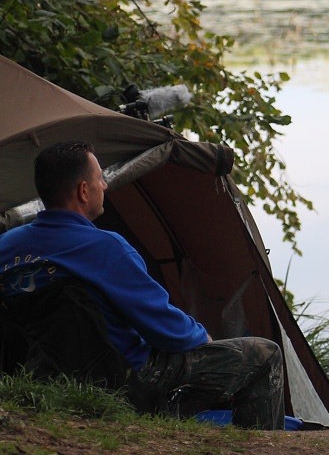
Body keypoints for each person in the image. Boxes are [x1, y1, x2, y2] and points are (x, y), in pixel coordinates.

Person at [0, 141, 284, 429]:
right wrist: (203, 339)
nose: (105, 187)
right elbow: (165, 330)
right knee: (264, 356)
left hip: (39, 376)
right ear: (84, 191)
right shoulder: (105, 248)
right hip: (123, 379)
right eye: (100, 179)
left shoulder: (7, 246)